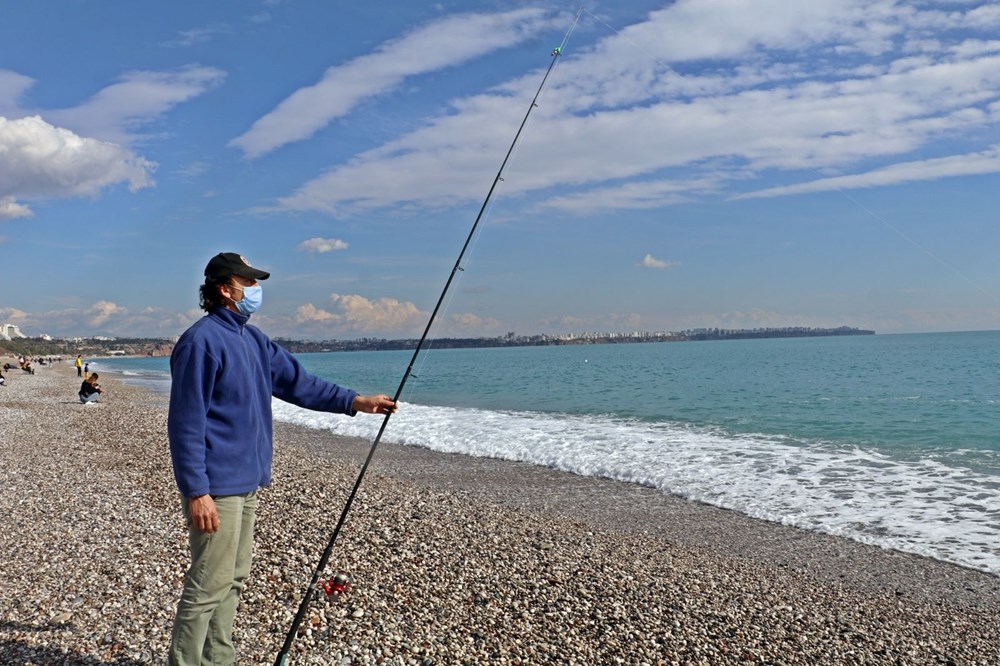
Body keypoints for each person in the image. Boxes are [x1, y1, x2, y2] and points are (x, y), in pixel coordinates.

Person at [166, 252, 397, 666]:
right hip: (216, 488)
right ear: (224, 288)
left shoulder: (253, 340)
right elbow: (185, 422)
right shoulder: (201, 341)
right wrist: (196, 491)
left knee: (232, 580)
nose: (254, 290)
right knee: (207, 586)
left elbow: (299, 383)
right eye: (248, 282)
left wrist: (355, 402)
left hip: (248, 483)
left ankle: (219, 659)